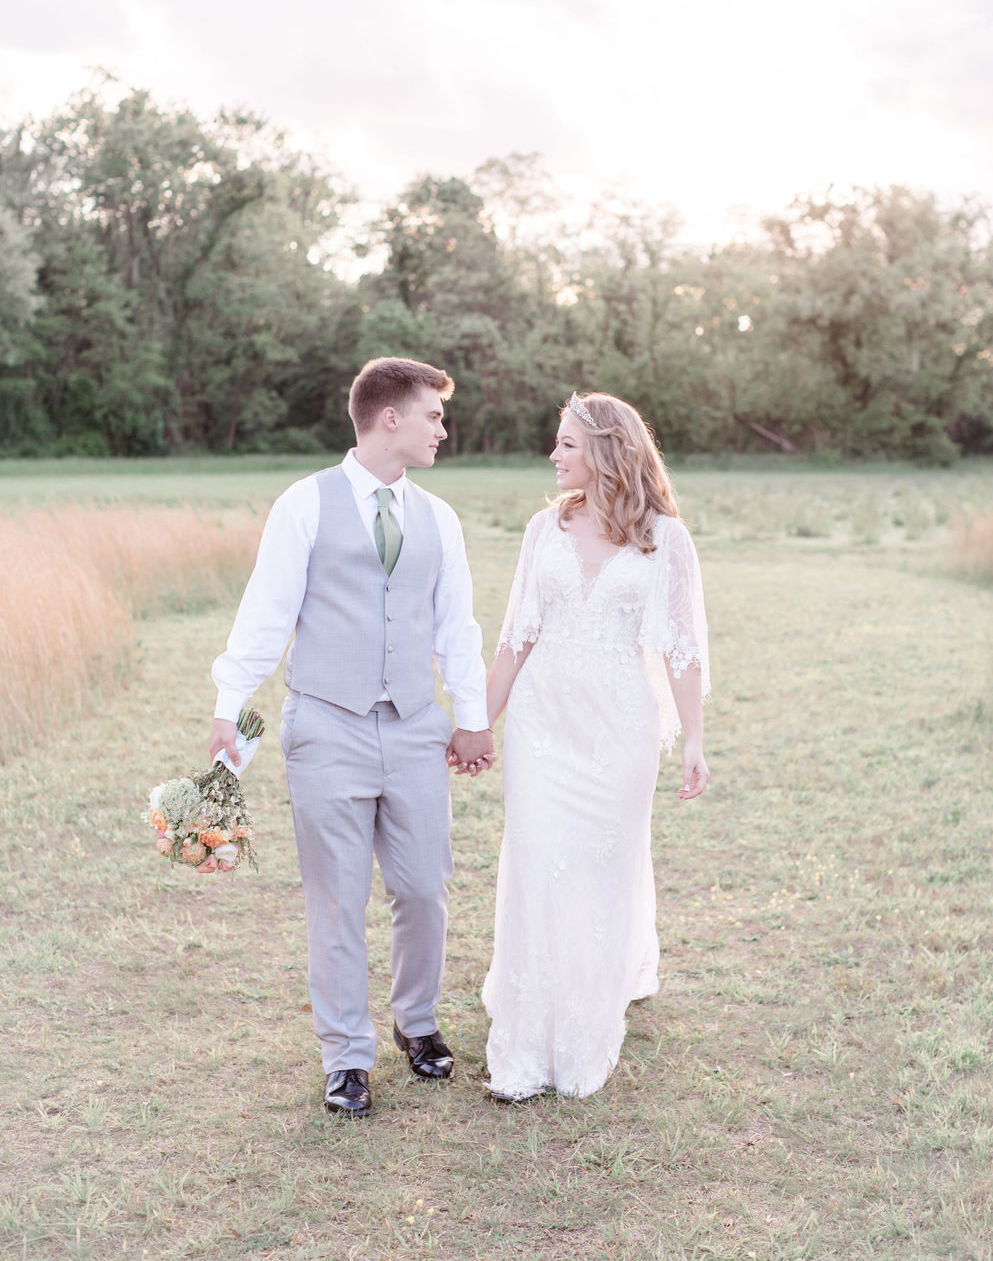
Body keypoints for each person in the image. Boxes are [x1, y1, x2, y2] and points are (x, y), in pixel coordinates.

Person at [209, 357, 494, 1118]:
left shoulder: (440, 518)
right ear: (389, 417)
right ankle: (346, 1059)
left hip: (413, 728)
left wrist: (472, 717)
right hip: (324, 726)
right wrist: (230, 706)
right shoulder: (304, 505)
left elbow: (455, 625)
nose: (443, 428)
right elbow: (266, 615)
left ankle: (418, 1022)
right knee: (338, 900)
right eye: (433, 414)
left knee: (424, 888)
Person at [476, 390, 710, 1101]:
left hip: (619, 730)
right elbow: (516, 636)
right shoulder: (543, 530)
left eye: (567, 443)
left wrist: (695, 738)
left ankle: (585, 1030)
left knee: (602, 872)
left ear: (607, 450)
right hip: (542, 725)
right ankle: (521, 1049)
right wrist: (479, 722)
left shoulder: (665, 538)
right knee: (539, 868)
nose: (554, 454)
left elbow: (682, 651)